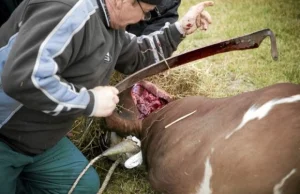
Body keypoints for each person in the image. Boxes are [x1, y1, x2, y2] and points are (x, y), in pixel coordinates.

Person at [0, 0, 213, 193]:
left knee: (83, 186)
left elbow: (138, 54)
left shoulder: (109, 24)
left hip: (38, 140)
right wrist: (90, 102)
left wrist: (178, 30)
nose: (142, 20)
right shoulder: (67, 11)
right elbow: (23, 78)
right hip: (6, 135)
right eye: (145, 13)